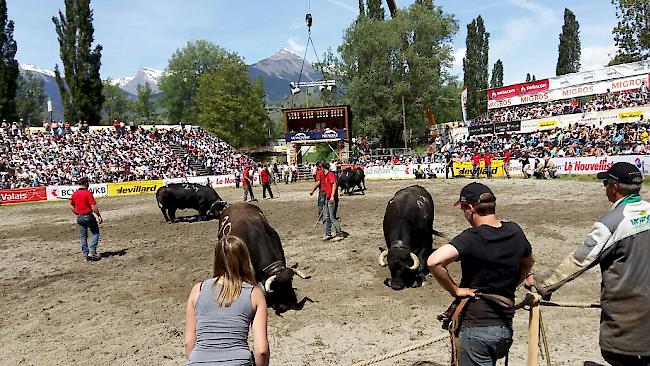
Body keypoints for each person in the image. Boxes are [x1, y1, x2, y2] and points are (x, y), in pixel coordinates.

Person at [530, 162, 650, 366]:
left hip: (627, 316)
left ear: (613, 188)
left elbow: (580, 259)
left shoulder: (611, 222)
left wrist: (544, 283)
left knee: (622, 358)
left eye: (606, 183)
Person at [427, 183, 534, 366]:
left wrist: (456, 291)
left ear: (470, 208)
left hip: (476, 328)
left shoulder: (471, 237)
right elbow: (529, 262)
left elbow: (434, 262)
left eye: (463, 209)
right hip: (504, 328)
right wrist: (512, 284)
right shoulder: (515, 231)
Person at [184, 235, 270, 366]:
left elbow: (189, 342)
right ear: (245, 259)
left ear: (216, 259)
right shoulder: (254, 293)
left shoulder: (198, 289)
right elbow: (262, 350)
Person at [70, 177, 103, 261]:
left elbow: (71, 206)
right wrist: (99, 215)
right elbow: (93, 206)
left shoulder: (75, 194)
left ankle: (85, 255)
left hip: (80, 217)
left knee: (83, 236)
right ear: (85, 184)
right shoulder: (88, 193)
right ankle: (92, 251)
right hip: (88, 216)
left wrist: (76, 213)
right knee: (95, 233)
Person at [310, 164, 343, 241]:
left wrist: (332, 196)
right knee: (328, 217)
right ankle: (328, 233)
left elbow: (334, 185)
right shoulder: (326, 176)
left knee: (332, 217)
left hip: (332, 199)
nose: (322, 171)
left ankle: (339, 233)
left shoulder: (330, 175)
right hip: (327, 198)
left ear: (324, 169)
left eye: (322, 169)